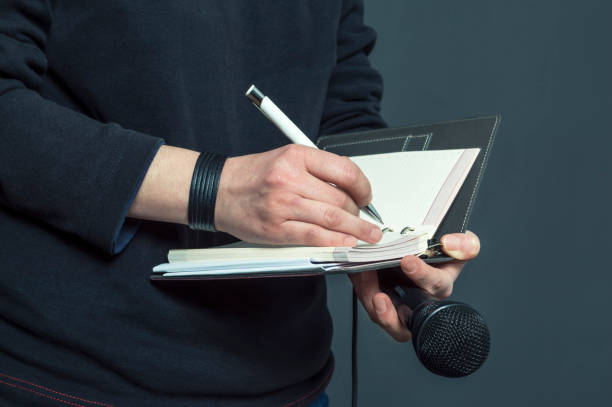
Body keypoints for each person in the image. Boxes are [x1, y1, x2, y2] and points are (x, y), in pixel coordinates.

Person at [0, 1, 480, 406]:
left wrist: (396, 246)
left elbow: (343, 103)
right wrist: (215, 189)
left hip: (293, 378)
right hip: (72, 377)